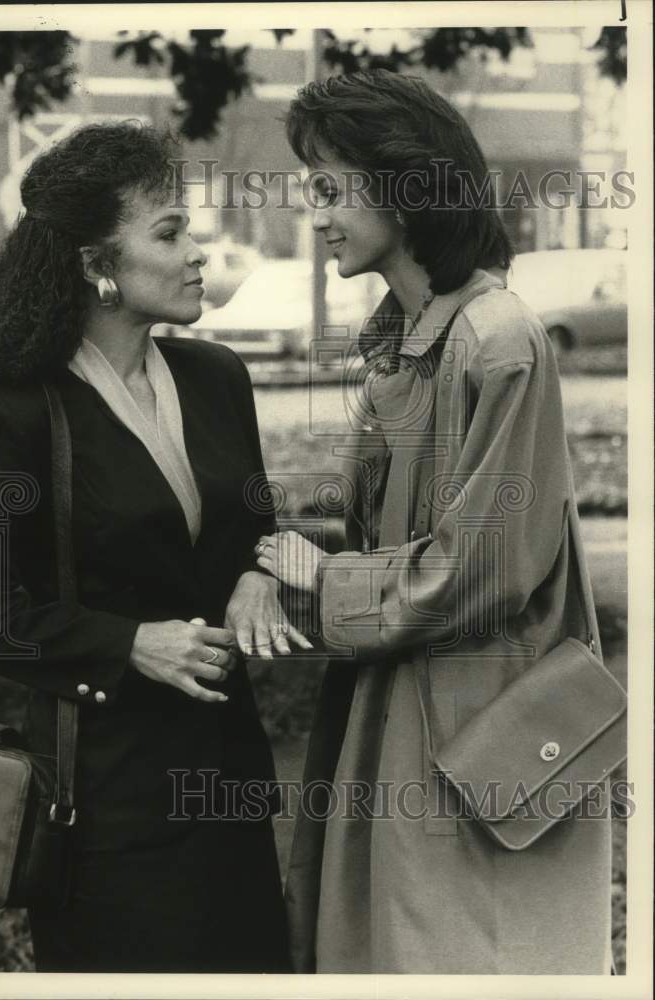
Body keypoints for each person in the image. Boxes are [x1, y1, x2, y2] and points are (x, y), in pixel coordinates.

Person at [255, 71, 613, 974]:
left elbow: (487, 564)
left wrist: (320, 578)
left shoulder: (497, 338)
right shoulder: (404, 344)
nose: (318, 214)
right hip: (402, 711)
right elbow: (382, 541)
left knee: (459, 955)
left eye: (331, 190)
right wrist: (276, 572)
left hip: (478, 726)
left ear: (406, 193)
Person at [0, 120, 305, 973]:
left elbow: (253, 528)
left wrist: (258, 573)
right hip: (106, 815)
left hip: (233, 794)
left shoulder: (218, 378)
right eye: (169, 233)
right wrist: (127, 645)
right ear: (99, 266)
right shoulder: (19, 404)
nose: (197, 251)